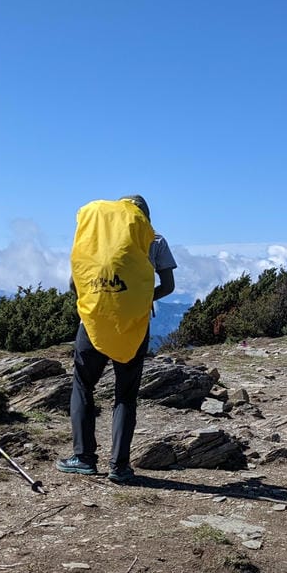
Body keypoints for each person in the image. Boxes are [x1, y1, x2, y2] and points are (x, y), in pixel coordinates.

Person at [56, 195, 176, 483]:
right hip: (133, 325)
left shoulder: (96, 238)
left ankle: (83, 458)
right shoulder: (155, 240)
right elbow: (168, 286)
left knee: (83, 384)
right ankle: (119, 466)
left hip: (94, 323)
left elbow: (75, 282)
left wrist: (91, 307)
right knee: (125, 394)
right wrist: (140, 301)